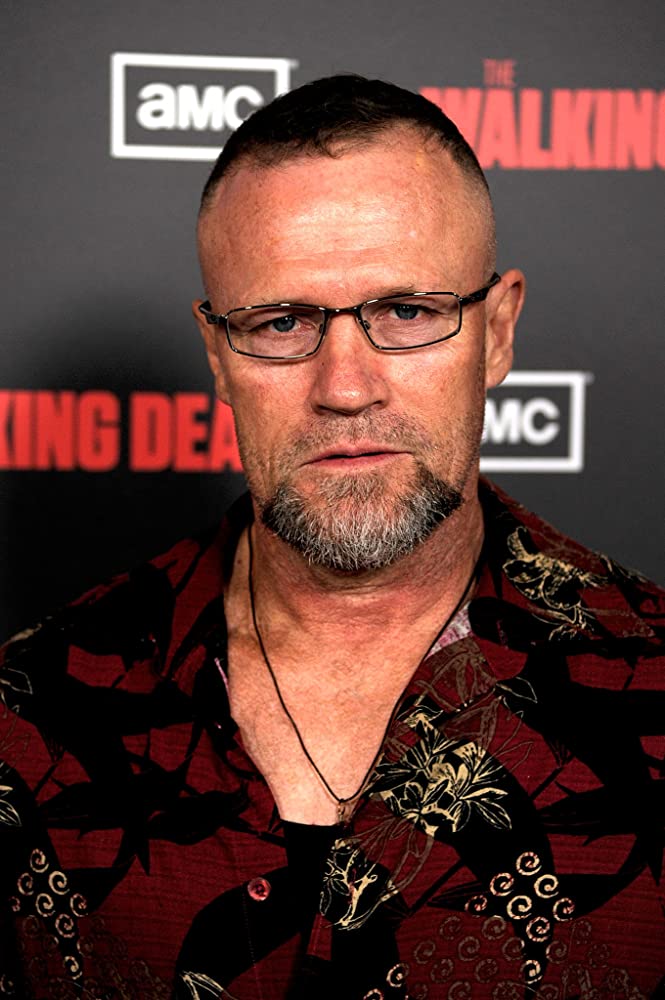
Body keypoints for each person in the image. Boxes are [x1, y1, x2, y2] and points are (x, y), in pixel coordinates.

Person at [1, 75, 663, 1000]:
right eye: (281, 322)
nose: (345, 387)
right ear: (217, 356)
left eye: (408, 312)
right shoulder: (27, 717)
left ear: (498, 332)